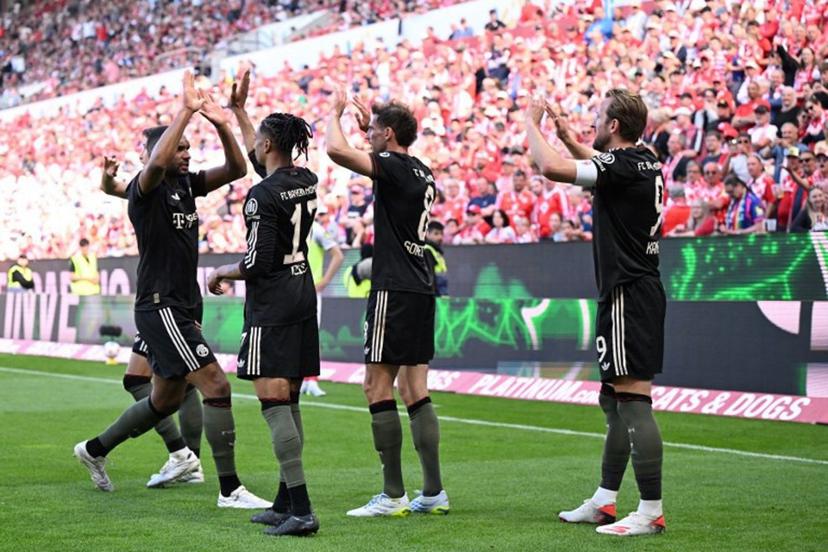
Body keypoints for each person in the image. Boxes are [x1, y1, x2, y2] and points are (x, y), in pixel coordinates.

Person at [74, 71, 269, 510]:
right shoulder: (145, 188)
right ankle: (229, 489)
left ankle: (95, 449)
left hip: (183, 304)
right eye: (180, 148)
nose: (187, 153)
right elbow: (153, 167)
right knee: (215, 385)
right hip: (161, 306)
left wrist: (221, 123)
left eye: (188, 147)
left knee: (164, 399)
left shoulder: (186, 185)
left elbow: (237, 169)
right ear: (156, 153)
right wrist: (185, 110)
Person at [528, 91, 666, 536]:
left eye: (598, 117)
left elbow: (550, 168)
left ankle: (650, 511)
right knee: (613, 400)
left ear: (614, 125)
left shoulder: (623, 165)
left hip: (629, 292)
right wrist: (569, 137)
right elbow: (598, 163)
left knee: (633, 400)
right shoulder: (643, 161)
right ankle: (605, 500)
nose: (594, 122)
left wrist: (532, 123)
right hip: (629, 290)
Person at [327, 88, 448, 516]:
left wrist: (335, 114)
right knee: (415, 389)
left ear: (390, 134)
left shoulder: (392, 167)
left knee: (376, 385)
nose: (368, 135)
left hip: (393, 288)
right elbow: (386, 157)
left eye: (374, 131)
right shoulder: (422, 171)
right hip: (421, 287)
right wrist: (371, 128)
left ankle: (393, 494)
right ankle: (433, 492)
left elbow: (336, 151)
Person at [207, 111, 321, 537]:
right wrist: (239, 113)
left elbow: (257, 262)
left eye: (258, 139)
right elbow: (267, 167)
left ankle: (302, 509)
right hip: (302, 293)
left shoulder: (261, 195)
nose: (254, 144)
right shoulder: (306, 179)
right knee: (290, 401)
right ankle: (285, 502)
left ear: (268, 145)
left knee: (274, 404)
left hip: (272, 305)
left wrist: (222, 270)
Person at [100, 155, 205, 489]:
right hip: (167, 298)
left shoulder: (178, 184)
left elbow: (234, 170)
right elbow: (113, 188)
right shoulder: (147, 186)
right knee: (174, 381)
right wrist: (107, 177)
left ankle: (185, 457)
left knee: (175, 382)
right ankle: (187, 459)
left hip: (167, 301)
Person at [301, 203, 344, 397]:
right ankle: (302, 379)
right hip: (290, 290)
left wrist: (325, 281)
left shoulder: (316, 230)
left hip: (309, 291)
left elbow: (338, 255)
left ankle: (311, 380)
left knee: (311, 335)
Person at [424, 221, 448, 296]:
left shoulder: (436, 251)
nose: (440, 237)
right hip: (435, 291)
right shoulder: (427, 250)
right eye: (436, 233)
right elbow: (430, 275)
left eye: (441, 234)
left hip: (441, 288)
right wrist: (435, 293)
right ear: (427, 234)